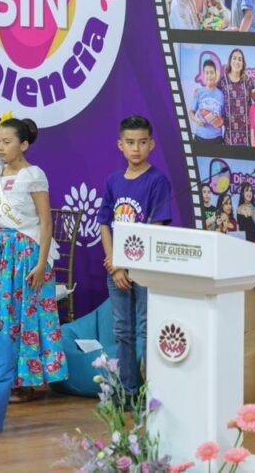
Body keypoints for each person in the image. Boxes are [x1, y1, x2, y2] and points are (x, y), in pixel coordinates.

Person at [0, 116, 64, 401]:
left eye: (7, 142)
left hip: (26, 253)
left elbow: (45, 222)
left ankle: (26, 380)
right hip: (0, 253)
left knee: (23, 313)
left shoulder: (32, 175)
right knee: (1, 312)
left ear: (23, 144)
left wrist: (41, 263)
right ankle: (2, 377)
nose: (1, 147)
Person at [99, 115, 173, 400]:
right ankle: (128, 390)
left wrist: (125, 262)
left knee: (145, 328)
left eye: (142, 142)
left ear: (151, 144)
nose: (136, 148)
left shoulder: (158, 181)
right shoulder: (113, 181)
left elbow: (156, 228)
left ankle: (151, 391)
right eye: (130, 143)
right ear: (120, 145)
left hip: (144, 269)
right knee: (122, 330)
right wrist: (114, 262)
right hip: (117, 268)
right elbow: (104, 223)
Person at [219, 48, 254, 146]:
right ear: (230, 61)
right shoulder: (223, 81)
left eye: (240, 59)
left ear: (243, 63)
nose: (237, 61)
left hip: (246, 136)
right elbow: (214, 96)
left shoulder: (248, 81)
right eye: (234, 58)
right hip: (229, 136)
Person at [189, 59, 225, 143]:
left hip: (216, 138)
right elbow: (191, 112)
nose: (209, 76)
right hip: (200, 137)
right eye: (207, 73)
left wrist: (221, 122)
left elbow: (223, 116)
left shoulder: (221, 95)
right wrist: (196, 120)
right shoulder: (199, 92)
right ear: (203, 75)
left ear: (215, 74)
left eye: (211, 73)